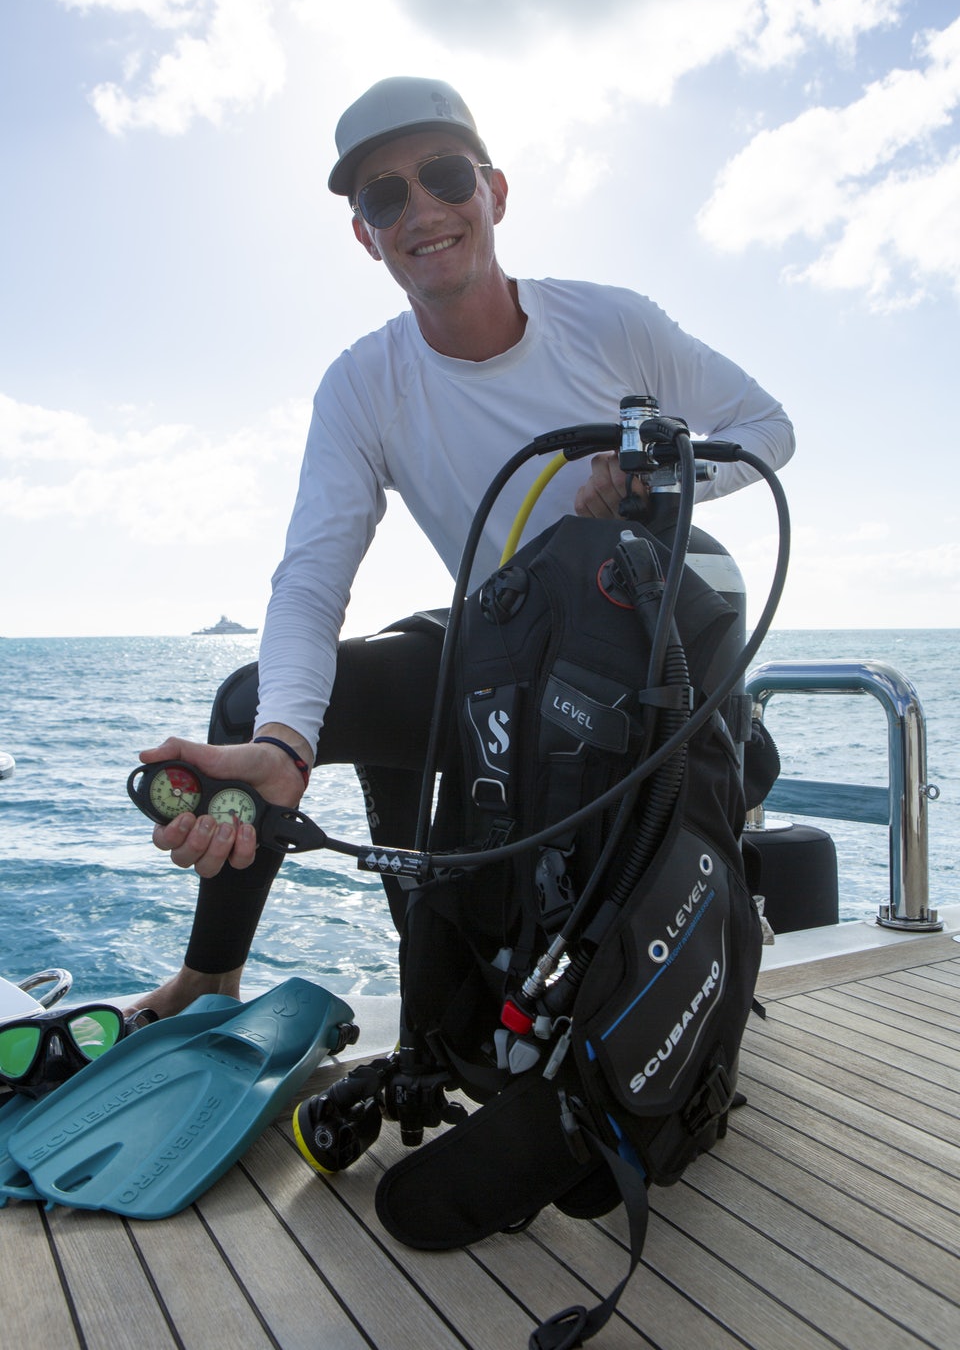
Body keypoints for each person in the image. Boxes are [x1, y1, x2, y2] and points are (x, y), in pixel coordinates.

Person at [137, 77, 795, 1017]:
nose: (423, 211)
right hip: (502, 656)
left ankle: (706, 904)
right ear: (365, 233)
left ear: (495, 191)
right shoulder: (364, 384)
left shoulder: (612, 323)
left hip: (633, 672)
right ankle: (223, 980)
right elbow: (312, 577)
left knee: (714, 765)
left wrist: (657, 480)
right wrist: (286, 738)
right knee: (255, 703)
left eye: (445, 176)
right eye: (385, 196)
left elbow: (768, 426)